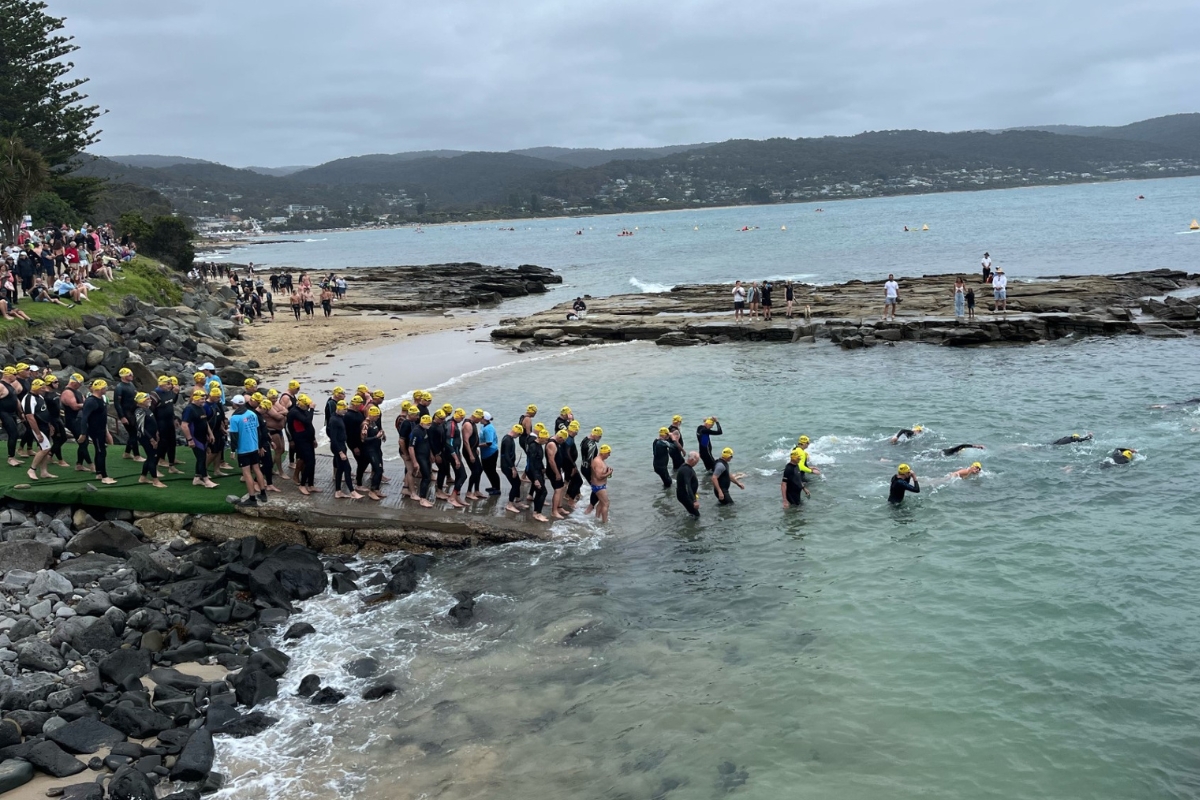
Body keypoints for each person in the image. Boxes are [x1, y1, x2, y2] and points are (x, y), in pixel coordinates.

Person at [79, 379, 116, 485]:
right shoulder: (91, 401)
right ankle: (104, 477)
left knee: (100, 451)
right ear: (100, 389)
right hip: (95, 431)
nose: (106, 389)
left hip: (101, 429)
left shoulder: (100, 399)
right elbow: (84, 418)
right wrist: (83, 433)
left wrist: (106, 431)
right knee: (101, 452)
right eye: (105, 388)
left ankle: (99, 473)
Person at [181, 389, 217, 488]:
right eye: (202, 399)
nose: (204, 401)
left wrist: (210, 434)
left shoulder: (201, 407)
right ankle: (206, 480)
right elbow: (184, 425)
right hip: (195, 438)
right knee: (201, 458)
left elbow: (205, 422)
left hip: (203, 437)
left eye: (204, 399)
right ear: (195, 398)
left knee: (201, 458)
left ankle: (197, 478)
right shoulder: (189, 409)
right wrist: (189, 439)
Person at [20, 379, 54, 481]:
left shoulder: (39, 396)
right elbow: (30, 417)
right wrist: (38, 433)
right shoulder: (28, 399)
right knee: (46, 449)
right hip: (37, 427)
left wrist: (49, 425)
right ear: (36, 388)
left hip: (44, 425)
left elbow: (44, 411)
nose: (44, 389)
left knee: (42, 449)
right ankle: (31, 469)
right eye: (42, 388)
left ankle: (44, 471)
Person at [326, 400, 361, 500]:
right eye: (344, 409)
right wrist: (340, 452)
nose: (346, 411)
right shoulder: (334, 420)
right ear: (339, 408)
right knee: (348, 469)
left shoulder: (340, 417)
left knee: (340, 469)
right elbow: (333, 439)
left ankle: (338, 492)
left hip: (342, 445)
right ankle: (352, 492)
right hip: (338, 447)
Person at [288, 394, 318, 495]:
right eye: (307, 405)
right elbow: (307, 420)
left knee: (313, 462)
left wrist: (313, 438)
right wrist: (312, 410)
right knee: (308, 462)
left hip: (308, 440)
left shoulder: (303, 410)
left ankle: (311, 485)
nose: (308, 407)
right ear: (301, 404)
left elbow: (309, 426)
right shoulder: (294, 412)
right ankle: (302, 485)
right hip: (301, 441)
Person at [135, 392, 166, 488]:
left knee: (150, 457)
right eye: (148, 399)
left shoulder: (147, 409)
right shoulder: (140, 411)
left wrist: (156, 432)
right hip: (146, 438)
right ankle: (155, 481)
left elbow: (152, 423)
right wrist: (151, 439)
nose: (150, 400)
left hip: (152, 436)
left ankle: (143, 477)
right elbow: (141, 428)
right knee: (153, 458)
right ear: (141, 401)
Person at [114, 368, 142, 461]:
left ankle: (126, 453)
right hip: (126, 413)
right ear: (124, 376)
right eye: (130, 375)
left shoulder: (131, 384)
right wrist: (122, 417)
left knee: (133, 434)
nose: (132, 376)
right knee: (133, 433)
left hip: (133, 411)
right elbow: (117, 404)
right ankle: (137, 456)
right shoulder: (119, 387)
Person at [525, 428, 551, 522]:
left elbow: (538, 460)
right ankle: (537, 513)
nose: (546, 442)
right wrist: (535, 479)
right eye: (545, 440)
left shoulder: (539, 445)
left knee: (540, 492)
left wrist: (543, 468)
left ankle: (537, 512)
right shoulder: (533, 446)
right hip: (533, 471)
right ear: (540, 438)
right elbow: (531, 463)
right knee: (543, 492)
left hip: (538, 470)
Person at [409, 414, 435, 508]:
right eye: (428, 424)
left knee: (427, 477)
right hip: (420, 457)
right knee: (426, 477)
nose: (429, 425)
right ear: (422, 423)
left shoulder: (424, 429)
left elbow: (426, 443)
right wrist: (415, 462)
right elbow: (411, 447)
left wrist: (431, 454)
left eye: (430, 424)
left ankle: (424, 497)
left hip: (426, 455)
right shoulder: (416, 431)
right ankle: (422, 499)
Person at [362, 405, 386, 501]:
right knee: (378, 470)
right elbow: (363, 439)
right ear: (371, 415)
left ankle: (376, 489)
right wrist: (376, 437)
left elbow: (377, 431)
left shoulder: (373, 422)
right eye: (376, 416)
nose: (378, 418)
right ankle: (372, 491)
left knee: (380, 469)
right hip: (370, 450)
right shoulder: (365, 424)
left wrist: (382, 435)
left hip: (377, 449)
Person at [501, 422, 524, 513]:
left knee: (517, 482)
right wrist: (513, 468)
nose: (518, 437)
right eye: (519, 435)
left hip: (509, 465)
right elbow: (506, 455)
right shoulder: (508, 440)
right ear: (516, 433)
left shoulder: (508, 438)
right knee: (515, 484)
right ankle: (510, 504)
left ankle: (517, 501)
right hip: (507, 466)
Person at [547, 429, 568, 519]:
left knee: (561, 487)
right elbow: (551, 460)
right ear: (559, 437)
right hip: (553, 471)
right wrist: (557, 473)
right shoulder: (552, 444)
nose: (562, 442)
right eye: (562, 440)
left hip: (557, 469)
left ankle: (559, 508)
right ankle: (554, 511)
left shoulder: (554, 440)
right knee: (558, 490)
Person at [582, 426, 603, 514]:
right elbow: (591, 460)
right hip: (588, 469)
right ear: (595, 435)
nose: (600, 438)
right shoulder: (592, 445)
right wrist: (594, 474)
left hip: (583, 467)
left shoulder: (585, 439)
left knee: (595, 488)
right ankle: (589, 508)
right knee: (597, 489)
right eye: (599, 436)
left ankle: (590, 507)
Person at [590, 443, 614, 523]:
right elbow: (599, 477)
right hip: (599, 486)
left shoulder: (599, 460)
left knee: (601, 502)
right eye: (608, 453)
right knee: (606, 503)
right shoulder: (598, 462)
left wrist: (607, 471)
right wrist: (609, 473)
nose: (609, 455)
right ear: (603, 453)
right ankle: (605, 521)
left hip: (598, 485)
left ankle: (597, 517)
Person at [479, 412, 501, 496]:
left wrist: (476, 445)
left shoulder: (489, 429)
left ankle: (497, 488)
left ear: (484, 419)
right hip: (485, 453)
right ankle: (493, 486)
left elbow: (489, 443)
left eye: (481, 418)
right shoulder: (483, 426)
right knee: (487, 470)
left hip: (491, 452)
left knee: (491, 471)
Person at [676, 451, 701, 518]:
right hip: (684, 496)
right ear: (692, 460)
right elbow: (687, 486)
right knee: (696, 515)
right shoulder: (686, 470)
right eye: (696, 461)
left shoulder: (686, 467)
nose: (696, 463)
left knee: (692, 512)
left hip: (684, 494)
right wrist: (694, 501)